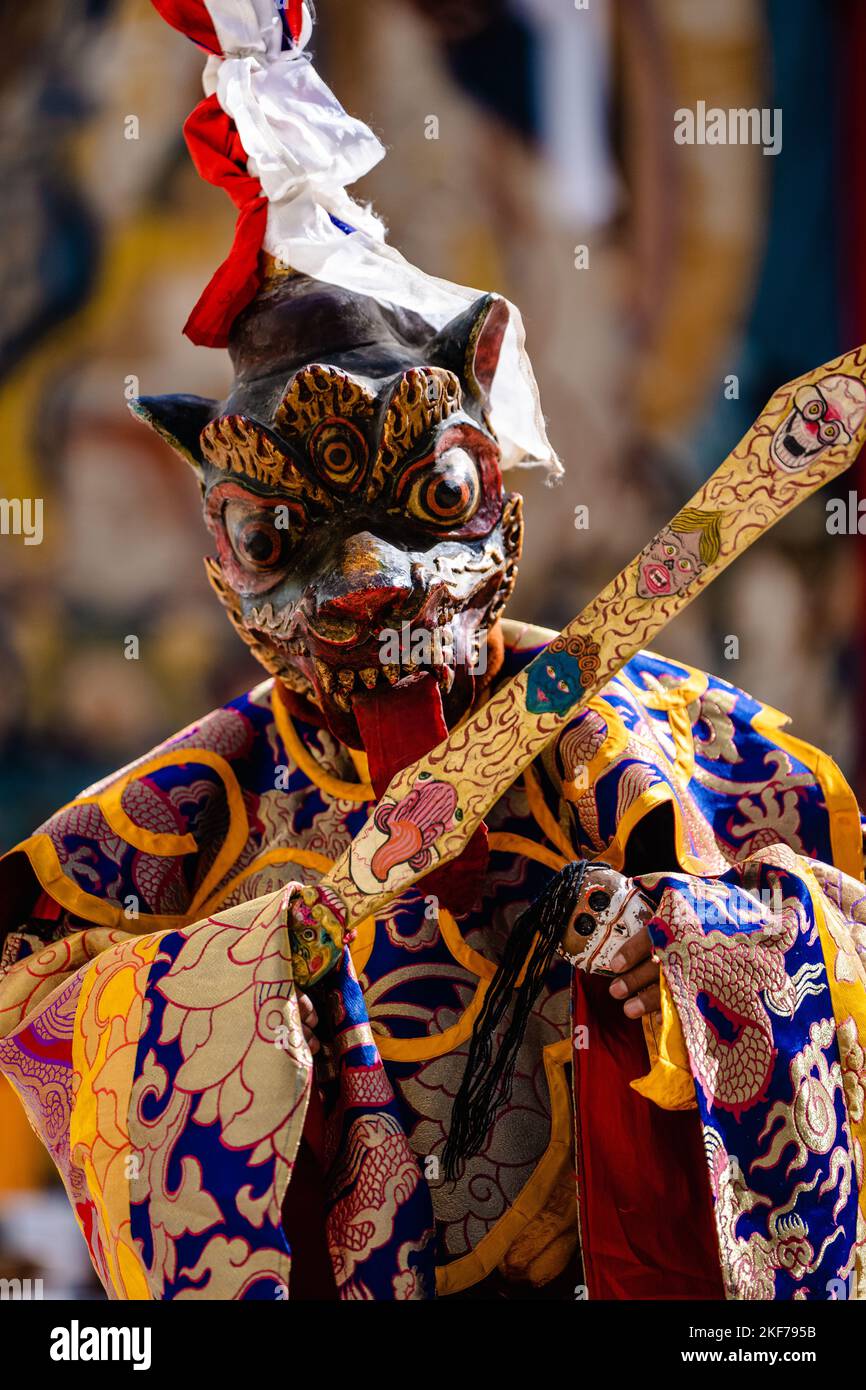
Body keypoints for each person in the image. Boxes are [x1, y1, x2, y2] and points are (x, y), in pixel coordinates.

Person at [0, 0, 863, 1302]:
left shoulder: (691, 760)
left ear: (504, 514)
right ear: (219, 567)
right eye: (285, 531)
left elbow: (845, 937)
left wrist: (693, 947)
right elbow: (45, 1003)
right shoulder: (172, 822)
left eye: (430, 500)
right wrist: (236, 981)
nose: (364, 579)